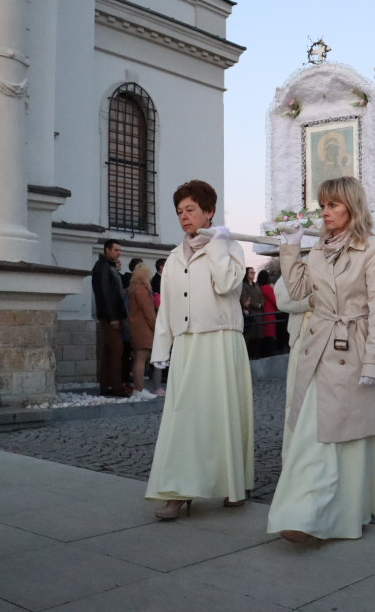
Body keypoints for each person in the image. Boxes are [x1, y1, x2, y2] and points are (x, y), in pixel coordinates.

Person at [268, 176, 375, 542]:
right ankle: (304, 516)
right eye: (323, 205)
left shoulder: (373, 248)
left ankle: (343, 514)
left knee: (349, 439)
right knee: (312, 434)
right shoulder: (320, 249)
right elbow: (297, 290)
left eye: (333, 205)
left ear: (351, 207)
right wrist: (290, 247)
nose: (325, 212)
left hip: (353, 350)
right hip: (319, 347)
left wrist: (374, 361)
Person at [145, 180, 253, 519]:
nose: (184, 217)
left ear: (209, 212)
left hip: (221, 341)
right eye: (179, 211)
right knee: (183, 418)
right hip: (189, 344)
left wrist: (219, 246)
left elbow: (226, 284)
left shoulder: (230, 247)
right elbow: (167, 307)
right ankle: (178, 490)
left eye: (190, 209)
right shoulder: (174, 257)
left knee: (222, 414)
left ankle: (230, 485)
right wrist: (162, 347)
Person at [273, 274, 313, 461]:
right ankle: (294, 460)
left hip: (337, 343)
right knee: (296, 404)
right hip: (301, 340)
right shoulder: (301, 263)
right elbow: (282, 298)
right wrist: (311, 300)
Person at [92, 239, 130, 397]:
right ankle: (115, 386)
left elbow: (115, 292)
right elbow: (105, 294)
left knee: (110, 350)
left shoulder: (109, 267)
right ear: (107, 250)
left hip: (113, 315)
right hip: (109, 316)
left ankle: (107, 385)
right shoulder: (103, 267)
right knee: (116, 349)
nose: (119, 252)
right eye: (116, 250)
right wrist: (113, 317)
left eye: (119, 250)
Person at [126, 263, 158, 401]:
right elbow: (149, 313)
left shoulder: (134, 290)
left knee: (139, 359)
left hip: (137, 328)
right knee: (141, 359)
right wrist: (157, 328)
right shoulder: (142, 291)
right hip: (143, 329)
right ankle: (139, 390)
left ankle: (137, 389)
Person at [241, 266, 264, 358]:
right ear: (246, 274)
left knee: (259, 338)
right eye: (251, 272)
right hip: (251, 313)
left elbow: (262, 296)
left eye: (254, 272)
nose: (253, 274)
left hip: (259, 313)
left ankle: (257, 356)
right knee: (251, 337)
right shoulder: (244, 285)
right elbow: (245, 299)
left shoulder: (256, 285)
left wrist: (261, 304)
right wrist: (256, 305)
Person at [258, 269, 278, 358]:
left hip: (262, 314)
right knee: (270, 336)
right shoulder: (267, 288)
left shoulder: (259, 288)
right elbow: (275, 301)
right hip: (269, 314)